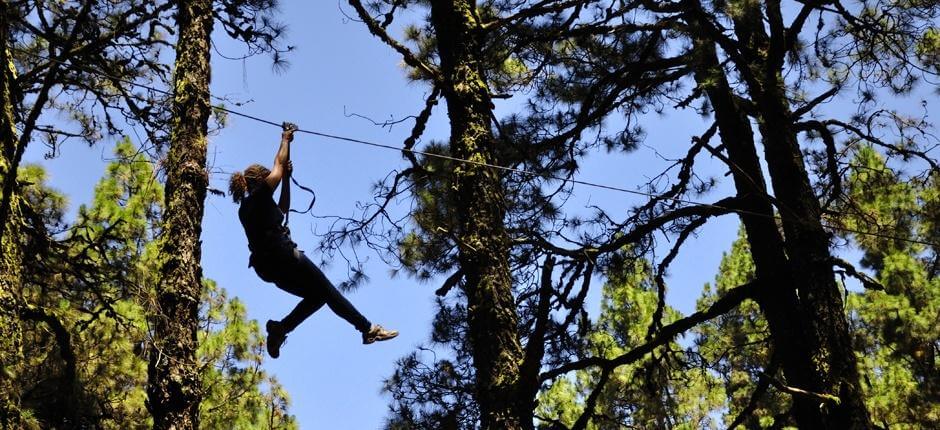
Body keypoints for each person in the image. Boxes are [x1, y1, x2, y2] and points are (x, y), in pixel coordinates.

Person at [228, 123, 398, 358]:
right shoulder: (257, 197)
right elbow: (278, 165)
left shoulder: (248, 208)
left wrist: (286, 179)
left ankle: (281, 329)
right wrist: (286, 139)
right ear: (261, 181)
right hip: (283, 255)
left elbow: (283, 207)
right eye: (269, 179)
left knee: (318, 296)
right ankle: (367, 328)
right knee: (327, 288)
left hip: (267, 268)